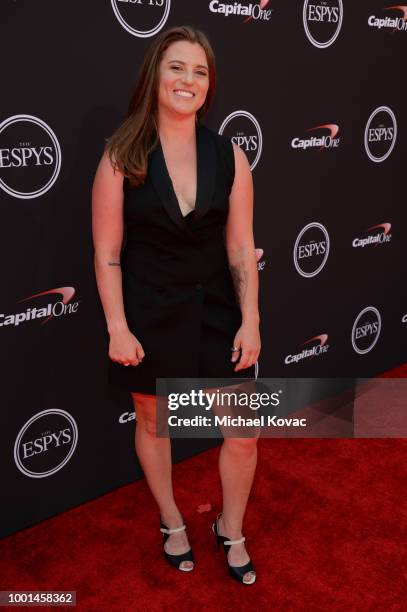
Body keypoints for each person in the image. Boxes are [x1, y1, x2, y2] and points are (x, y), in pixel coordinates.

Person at [92, 25, 261, 585]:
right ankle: (171, 520)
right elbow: (108, 253)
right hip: (150, 313)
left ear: (210, 85)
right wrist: (117, 326)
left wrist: (252, 318)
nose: (188, 80)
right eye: (177, 67)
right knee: (153, 422)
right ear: (155, 75)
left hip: (217, 311)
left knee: (243, 431)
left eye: (200, 71)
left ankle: (230, 528)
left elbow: (240, 246)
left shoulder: (230, 154)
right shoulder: (122, 155)